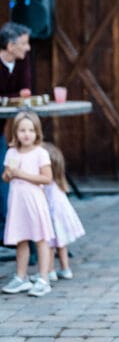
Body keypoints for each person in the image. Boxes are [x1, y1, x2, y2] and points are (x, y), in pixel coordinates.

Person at [1, 111, 54, 297]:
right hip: (18, 203)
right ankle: (21, 276)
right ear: (16, 133)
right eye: (22, 130)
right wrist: (9, 174)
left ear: (37, 132)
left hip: (34, 202)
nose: (26, 134)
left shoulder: (40, 153)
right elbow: (6, 176)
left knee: (40, 239)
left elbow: (47, 178)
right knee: (21, 239)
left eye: (31, 130)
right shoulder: (11, 152)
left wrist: (21, 174)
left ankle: (43, 278)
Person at [0, 22, 32, 227]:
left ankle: (9, 229)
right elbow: (18, 95)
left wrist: (9, 98)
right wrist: (15, 97)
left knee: (5, 174)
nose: (27, 48)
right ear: (10, 46)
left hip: (0, 128)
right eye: (23, 44)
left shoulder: (22, 62)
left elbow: (26, 91)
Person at [43, 142, 85, 280]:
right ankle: (65, 268)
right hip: (61, 217)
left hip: (52, 217)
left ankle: (50, 271)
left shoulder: (46, 184)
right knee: (61, 244)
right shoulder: (58, 183)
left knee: (49, 245)